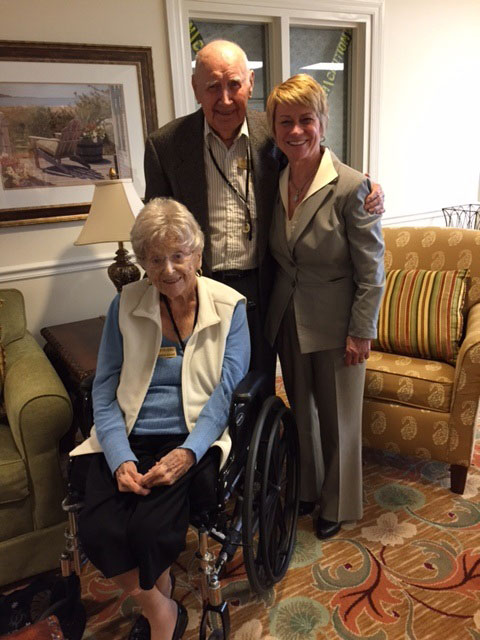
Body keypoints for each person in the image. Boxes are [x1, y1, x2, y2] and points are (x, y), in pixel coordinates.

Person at [143, 40, 384, 391]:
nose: (224, 99)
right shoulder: (165, 145)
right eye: (212, 86)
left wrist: (366, 183)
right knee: (203, 387)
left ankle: (262, 447)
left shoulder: (274, 132)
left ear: (250, 84)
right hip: (198, 289)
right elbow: (157, 225)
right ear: (196, 88)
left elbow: (316, 157)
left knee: (258, 387)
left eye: (234, 84)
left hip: (264, 290)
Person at [70, 198, 250, 640]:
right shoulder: (125, 305)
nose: (168, 269)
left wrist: (188, 452)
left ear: (198, 255)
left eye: (178, 255)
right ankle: (162, 608)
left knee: (150, 530)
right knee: (100, 528)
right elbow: (104, 388)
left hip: (191, 435)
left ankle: (160, 610)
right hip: (129, 434)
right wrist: (118, 456)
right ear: (143, 264)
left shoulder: (230, 307)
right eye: (155, 259)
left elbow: (226, 393)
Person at [264, 74, 385, 539]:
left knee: (339, 418)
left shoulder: (353, 187)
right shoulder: (275, 180)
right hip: (288, 317)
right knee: (302, 411)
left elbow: (373, 269)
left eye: (305, 120)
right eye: (285, 122)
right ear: (274, 128)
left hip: (338, 325)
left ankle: (337, 503)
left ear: (322, 122)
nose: (296, 131)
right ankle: (309, 490)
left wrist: (362, 330)